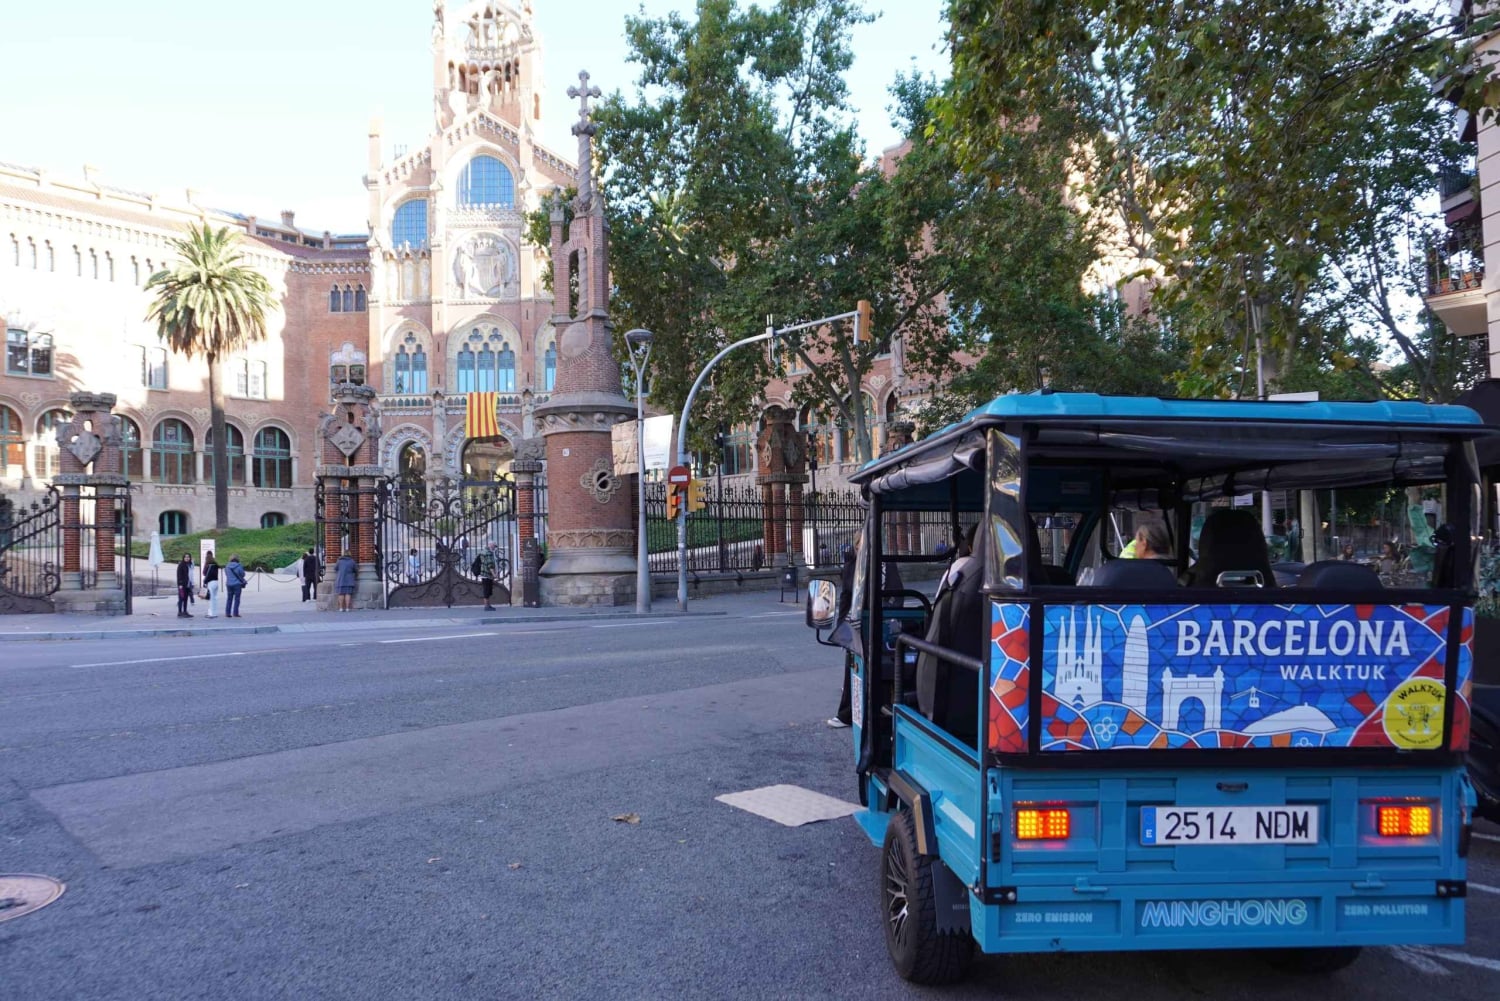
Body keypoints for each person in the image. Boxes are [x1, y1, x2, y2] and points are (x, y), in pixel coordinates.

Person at [828, 532, 905, 728]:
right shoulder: (853, 567)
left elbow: (897, 594)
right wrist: (842, 627)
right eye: (862, 545)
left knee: (879, 667)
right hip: (859, 622)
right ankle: (848, 713)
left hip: (880, 622)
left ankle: (872, 710)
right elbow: (846, 596)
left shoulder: (885, 565)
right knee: (854, 667)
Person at [472, 544, 498, 611]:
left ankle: (488, 605)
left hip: (483, 573)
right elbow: (490, 565)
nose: (495, 548)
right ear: (491, 546)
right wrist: (494, 574)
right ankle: (487, 606)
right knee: (487, 590)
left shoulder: (483, 551)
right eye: (494, 547)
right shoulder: (488, 553)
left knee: (487, 589)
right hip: (487, 574)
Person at [175, 553, 194, 618]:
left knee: (186, 598)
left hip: (188, 584)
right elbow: (179, 575)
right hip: (182, 585)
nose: (187, 558)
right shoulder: (181, 565)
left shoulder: (189, 565)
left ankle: (185, 611)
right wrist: (180, 584)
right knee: (181, 598)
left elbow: (191, 575)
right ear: (183, 558)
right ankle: (180, 612)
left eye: (188, 557)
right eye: (185, 557)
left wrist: (192, 583)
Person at [203, 551, 221, 619]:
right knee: (215, 598)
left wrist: (205, 582)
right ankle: (215, 613)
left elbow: (205, 573)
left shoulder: (208, 565)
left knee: (211, 598)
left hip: (211, 583)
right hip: (216, 582)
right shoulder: (215, 565)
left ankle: (211, 614)